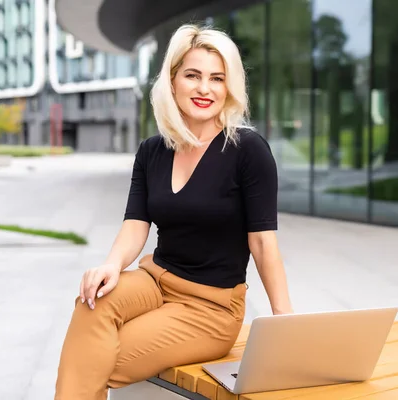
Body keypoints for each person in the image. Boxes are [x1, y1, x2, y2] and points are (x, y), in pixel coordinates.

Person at [54, 24, 293, 400]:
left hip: (211, 306)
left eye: (217, 78)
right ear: (172, 80)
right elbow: (135, 223)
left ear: (229, 87)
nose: (204, 88)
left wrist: (285, 323)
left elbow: (263, 242)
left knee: (99, 360)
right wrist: (111, 266)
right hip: (155, 280)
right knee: (91, 303)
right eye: (193, 75)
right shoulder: (153, 150)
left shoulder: (248, 150)